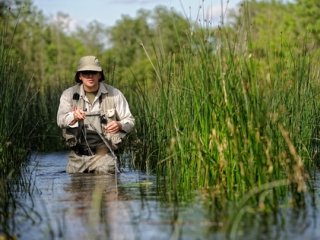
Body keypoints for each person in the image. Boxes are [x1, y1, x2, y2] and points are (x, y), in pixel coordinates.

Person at [57, 56, 135, 174]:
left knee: (106, 186)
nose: (90, 76)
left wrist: (119, 124)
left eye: (93, 72)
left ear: (100, 75)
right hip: (77, 157)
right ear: (80, 76)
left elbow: (130, 121)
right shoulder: (68, 94)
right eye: (85, 73)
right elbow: (60, 120)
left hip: (105, 157)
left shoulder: (115, 94)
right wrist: (73, 116)